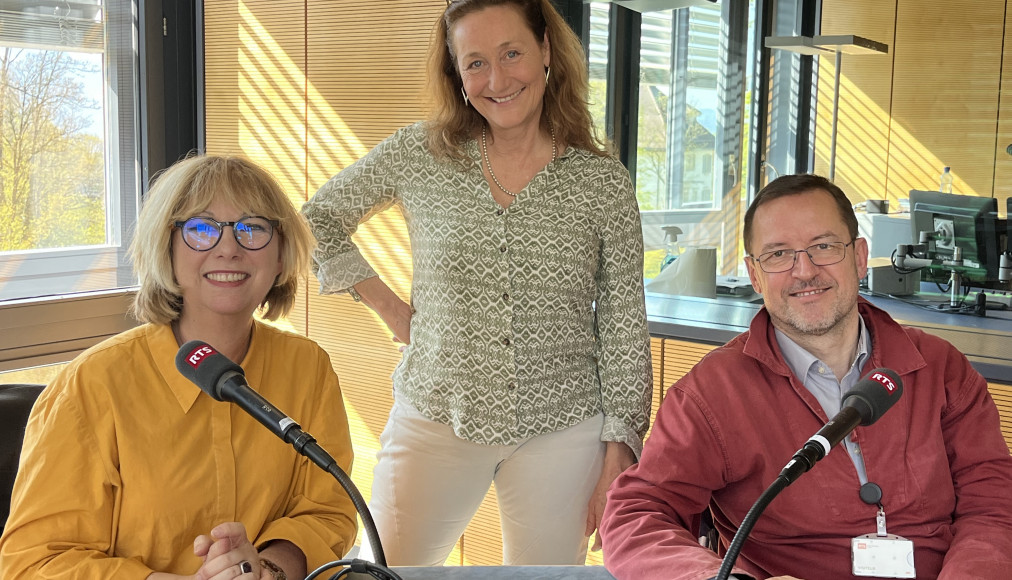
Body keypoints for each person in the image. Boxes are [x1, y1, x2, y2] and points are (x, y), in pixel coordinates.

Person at [301, 0, 652, 567]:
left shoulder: (602, 183)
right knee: (386, 573)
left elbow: (623, 326)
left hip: (563, 426)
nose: (497, 79)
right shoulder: (420, 153)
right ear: (456, 75)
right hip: (436, 410)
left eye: (511, 53)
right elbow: (316, 220)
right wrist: (393, 310)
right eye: (475, 63)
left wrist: (620, 449)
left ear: (544, 51)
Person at [600, 174, 1012, 580]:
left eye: (824, 246)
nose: (804, 270)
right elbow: (635, 513)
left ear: (860, 257)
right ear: (755, 275)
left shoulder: (941, 368)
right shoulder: (712, 392)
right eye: (778, 254)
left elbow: (994, 503)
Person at [0, 155, 357, 579]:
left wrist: (266, 570)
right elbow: (34, 562)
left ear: (281, 256)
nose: (229, 247)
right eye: (201, 228)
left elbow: (328, 509)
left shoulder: (308, 367)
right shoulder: (91, 385)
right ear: (165, 249)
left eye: (253, 228)